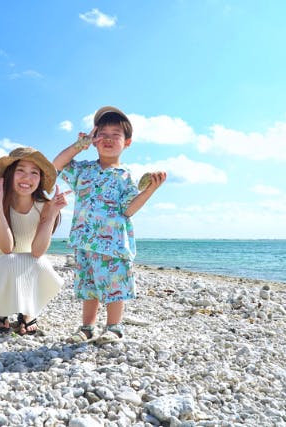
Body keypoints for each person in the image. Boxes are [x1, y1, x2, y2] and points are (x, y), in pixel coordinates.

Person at [53, 106, 167, 344]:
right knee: (88, 286)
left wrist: (150, 190)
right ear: (94, 140)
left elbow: (128, 209)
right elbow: (57, 165)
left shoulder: (126, 176)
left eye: (116, 134)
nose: (108, 138)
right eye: (102, 134)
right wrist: (78, 146)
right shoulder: (84, 170)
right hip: (84, 240)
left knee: (115, 287)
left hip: (114, 243)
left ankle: (114, 327)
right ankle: (87, 327)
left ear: (127, 142)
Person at [0, 147, 69, 335]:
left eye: (34, 172)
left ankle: (28, 311)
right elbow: (6, 247)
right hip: (0, 268)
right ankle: (0, 310)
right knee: (10, 260)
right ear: (9, 175)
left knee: (42, 263)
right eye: (20, 170)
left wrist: (52, 214)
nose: (27, 178)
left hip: (30, 268)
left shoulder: (44, 206)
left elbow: (37, 251)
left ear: (41, 179)